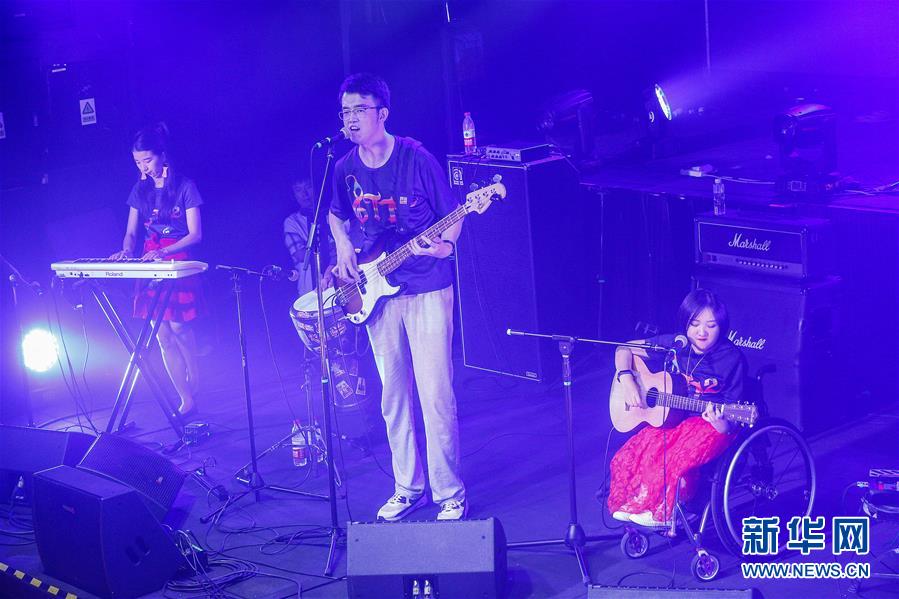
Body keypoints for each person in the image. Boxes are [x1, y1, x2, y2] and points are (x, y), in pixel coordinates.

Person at [327, 73, 466, 521]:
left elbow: (454, 215)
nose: (351, 119)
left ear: (382, 113)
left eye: (359, 110)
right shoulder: (344, 167)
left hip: (426, 285)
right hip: (376, 290)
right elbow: (335, 214)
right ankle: (408, 487)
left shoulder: (416, 159)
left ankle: (449, 491)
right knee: (393, 396)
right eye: (345, 111)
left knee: (435, 393)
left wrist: (445, 246)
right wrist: (343, 246)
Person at [607, 289, 747, 527]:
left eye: (711, 326)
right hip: (674, 418)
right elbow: (624, 348)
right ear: (685, 323)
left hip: (709, 425)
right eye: (695, 324)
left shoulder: (732, 358)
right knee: (637, 450)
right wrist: (627, 377)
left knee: (676, 457)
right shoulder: (676, 344)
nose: (702, 332)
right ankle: (642, 503)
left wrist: (720, 422)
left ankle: (666, 509)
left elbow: (732, 419)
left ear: (722, 326)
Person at [109, 123, 204, 418]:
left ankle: (194, 370)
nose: (144, 167)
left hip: (176, 257)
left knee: (179, 327)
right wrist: (127, 251)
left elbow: (195, 234)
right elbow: (131, 232)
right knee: (162, 335)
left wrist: (165, 252)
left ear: (162, 155)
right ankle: (185, 398)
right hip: (150, 260)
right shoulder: (140, 190)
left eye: (147, 160)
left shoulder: (185, 186)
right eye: (138, 162)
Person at [284, 178, 327, 297]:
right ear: (294, 195)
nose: (305, 194)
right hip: (309, 292)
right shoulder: (292, 222)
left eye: (308, 187)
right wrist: (332, 248)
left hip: (339, 285)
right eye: (298, 190)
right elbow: (300, 254)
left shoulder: (332, 215)